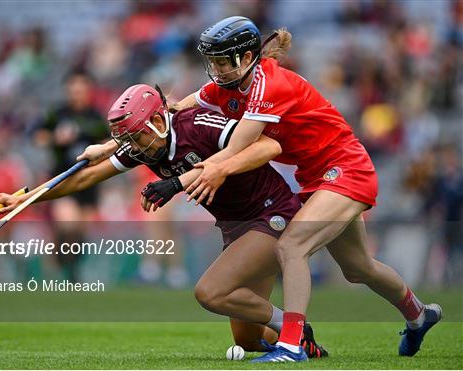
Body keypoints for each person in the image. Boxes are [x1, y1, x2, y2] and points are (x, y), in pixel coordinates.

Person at [163, 16, 442, 362]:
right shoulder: (234, 84)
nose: (217, 70)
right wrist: (165, 112)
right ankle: (419, 315)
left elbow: (238, 145)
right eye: (214, 62)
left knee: (292, 246)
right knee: (358, 268)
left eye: (223, 62)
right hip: (317, 177)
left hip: (346, 168)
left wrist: (183, 179)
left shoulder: (270, 85)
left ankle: (292, 344)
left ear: (246, 58)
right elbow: (194, 100)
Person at [0, 84, 327, 358]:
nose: (132, 148)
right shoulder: (143, 146)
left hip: (272, 213)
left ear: (157, 121)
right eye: (127, 141)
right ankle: (299, 338)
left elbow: (269, 146)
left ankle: (295, 329)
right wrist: (25, 198)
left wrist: (213, 170)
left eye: (135, 138)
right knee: (247, 341)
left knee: (210, 292)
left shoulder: (197, 126)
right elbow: (84, 179)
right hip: (236, 226)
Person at [34, 67, 109, 282]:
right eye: (73, 89)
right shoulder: (57, 114)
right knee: (68, 223)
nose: (77, 93)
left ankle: (70, 271)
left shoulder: (96, 117)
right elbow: (37, 136)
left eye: (81, 88)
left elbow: (109, 142)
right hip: (63, 178)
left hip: (90, 181)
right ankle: (59, 266)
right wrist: (54, 138)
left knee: (80, 233)